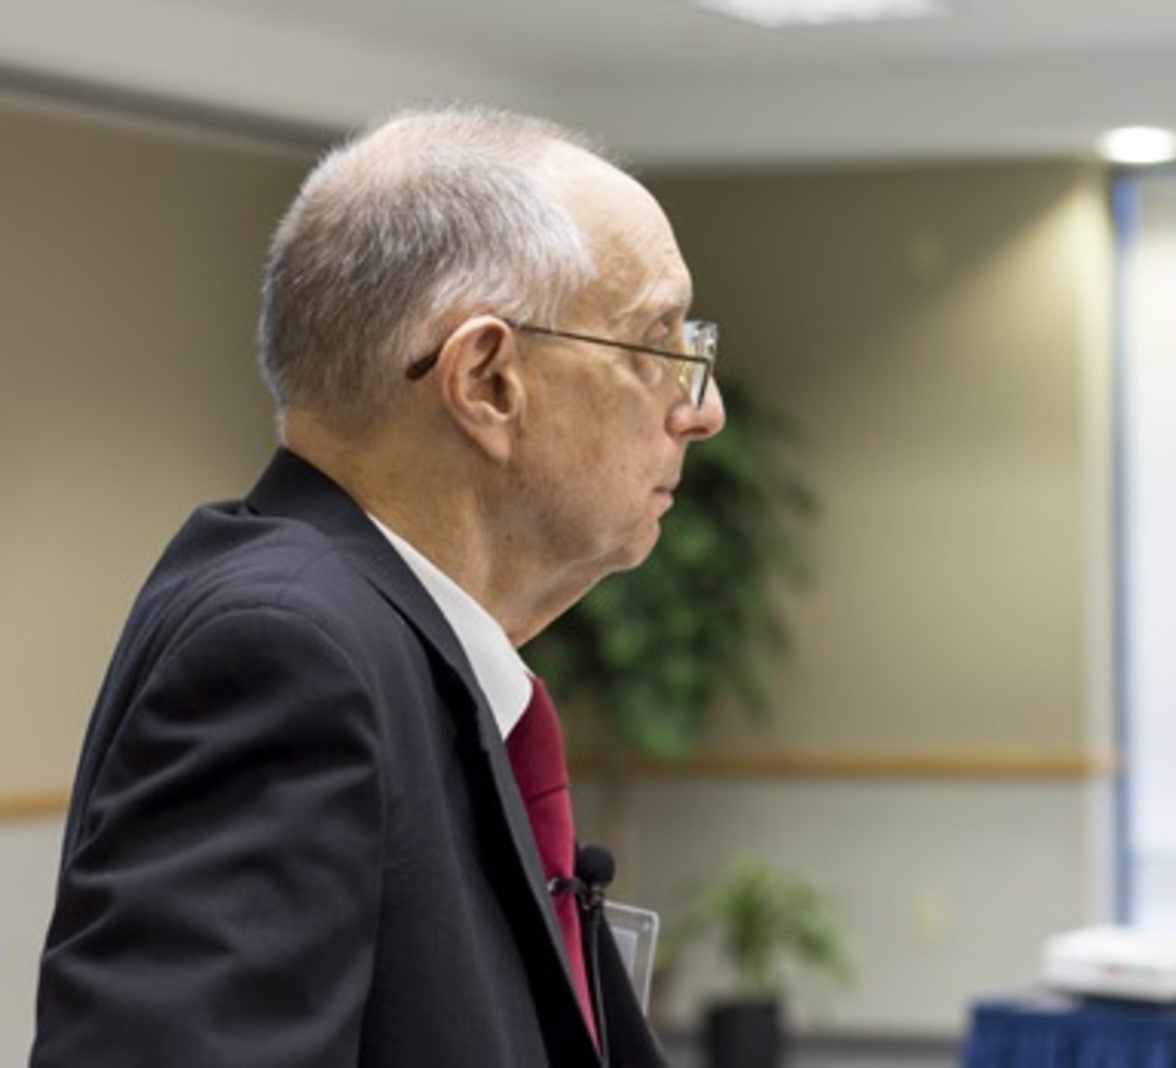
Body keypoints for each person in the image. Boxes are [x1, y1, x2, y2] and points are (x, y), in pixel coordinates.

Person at [31, 104, 724, 1067]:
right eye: (658, 345)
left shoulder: (395, 645)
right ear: (486, 382)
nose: (704, 409)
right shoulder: (290, 652)